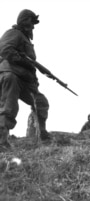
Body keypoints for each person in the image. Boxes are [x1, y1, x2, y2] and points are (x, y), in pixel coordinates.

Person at [0, 9, 51, 150]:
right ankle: (1, 142)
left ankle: (42, 135)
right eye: (31, 21)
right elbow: (4, 50)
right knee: (9, 108)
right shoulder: (13, 33)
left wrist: (34, 79)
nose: (33, 26)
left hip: (24, 79)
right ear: (23, 21)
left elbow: (29, 64)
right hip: (11, 75)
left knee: (41, 101)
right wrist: (25, 61)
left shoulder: (25, 39)